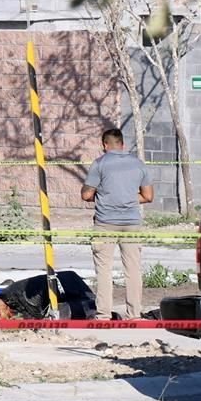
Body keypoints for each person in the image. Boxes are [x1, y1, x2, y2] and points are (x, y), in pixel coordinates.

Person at [80, 128, 154, 320]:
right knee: (133, 269)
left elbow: (86, 194)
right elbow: (148, 196)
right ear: (123, 144)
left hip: (105, 223)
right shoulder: (139, 164)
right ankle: (134, 314)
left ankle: (104, 314)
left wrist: (105, 197)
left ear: (105, 145)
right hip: (132, 222)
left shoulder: (100, 164)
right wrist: (127, 198)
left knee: (104, 270)